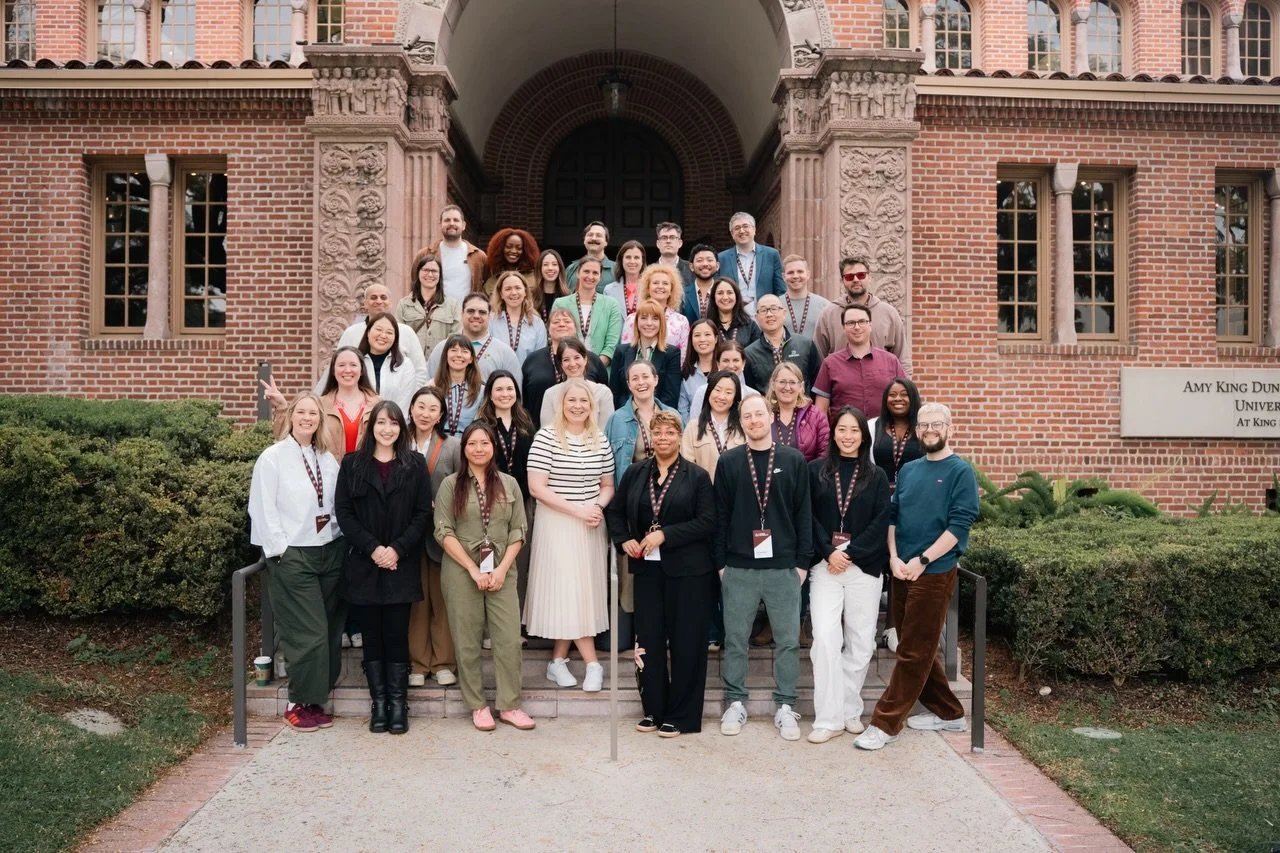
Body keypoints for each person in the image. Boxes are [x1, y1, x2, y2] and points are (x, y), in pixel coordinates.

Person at [855, 402, 979, 751]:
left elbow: (958, 527)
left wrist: (923, 560)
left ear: (950, 427)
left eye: (936, 424)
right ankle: (950, 713)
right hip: (902, 571)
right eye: (923, 425)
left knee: (913, 651)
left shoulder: (960, 472)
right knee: (914, 647)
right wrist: (894, 558)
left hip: (935, 572)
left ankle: (885, 724)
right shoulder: (909, 470)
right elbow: (892, 517)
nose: (929, 430)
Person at [606, 410, 716, 737]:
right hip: (648, 571)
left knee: (686, 643)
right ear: (650, 438)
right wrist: (624, 539)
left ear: (679, 437)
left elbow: (707, 522)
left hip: (689, 573)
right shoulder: (636, 473)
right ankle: (654, 710)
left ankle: (681, 716)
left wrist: (665, 534)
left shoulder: (696, 477)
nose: (663, 438)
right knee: (649, 641)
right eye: (658, 433)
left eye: (670, 433)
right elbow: (614, 512)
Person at [714, 395, 812, 741]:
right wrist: (721, 563)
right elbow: (720, 515)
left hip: (784, 566)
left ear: (770, 415)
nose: (754, 420)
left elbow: (804, 513)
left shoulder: (793, 460)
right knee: (736, 639)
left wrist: (802, 563)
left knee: (787, 640)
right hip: (738, 566)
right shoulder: (728, 462)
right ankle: (735, 701)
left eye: (759, 413)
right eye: (747, 416)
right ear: (741, 422)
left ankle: (785, 706)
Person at [249, 392, 347, 732]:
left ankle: (315, 699)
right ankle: (296, 701)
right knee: (310, 632)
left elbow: (336, 504)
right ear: (291, 416)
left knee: (331, 630)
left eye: (314, 413)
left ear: (321, 420)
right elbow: (262, 508)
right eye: (302, 412)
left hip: (329, 550)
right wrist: (280, 551)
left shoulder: (327, 458)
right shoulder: (273, 458)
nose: (308, 418)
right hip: (293, 555)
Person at [333, 400, 432, 735]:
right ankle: (378, 703)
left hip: (400, 565)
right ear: (371, 427)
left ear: (401, 428)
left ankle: (397, 703)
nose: (387, 429)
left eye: (393, 423)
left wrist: (397, 550)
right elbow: (344, 513)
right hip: (365, 564)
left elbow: (422, 514)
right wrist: (373, 548)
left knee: (396, 634)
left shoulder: (414, 464)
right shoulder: (352, 465)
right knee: (372, 637)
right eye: (381, 423)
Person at [435, 422, 536, 732]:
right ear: (464, 449)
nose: (478, 449)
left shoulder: (510, 484)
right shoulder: (451, 485)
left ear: (493, 447)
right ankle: (477, 705)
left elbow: (519, 530)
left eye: (485, 443)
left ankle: (509, 705)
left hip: (502, 570)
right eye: (472, 444)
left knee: (507, 639)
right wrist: (473, 569)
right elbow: (443, 531)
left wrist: (502, 569)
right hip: (461, 569)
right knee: (466, 640)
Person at [524, 379, 616, 692]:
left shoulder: (599, 438)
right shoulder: (546, 436)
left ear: (592, 406)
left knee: (580, 592)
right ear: (562, 404)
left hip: (590, 524)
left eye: (584, 401)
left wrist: (596, 507)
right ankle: (593, 663)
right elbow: (537, 487)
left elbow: (607, 485)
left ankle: (557, 660)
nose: (577, 406)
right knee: (568, 589)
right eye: (572, 400)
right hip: (558, 523)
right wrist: (577, 510)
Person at [806, 406, 891, 744]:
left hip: (864, 568)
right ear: (834, 433)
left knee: (860, 641)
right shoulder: (815, 472)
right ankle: (828, 719)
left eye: (854, 430)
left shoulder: (877, 476)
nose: (847, 435)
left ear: (863, 436)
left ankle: (850, 710)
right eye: (842, 429)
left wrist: (850, 553)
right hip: (825, 567)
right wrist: (829, 552)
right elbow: (806, 517)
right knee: (826, 638)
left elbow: (880, 520)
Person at [405, 387, 460, 688]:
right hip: (408, 537)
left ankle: (443, 663)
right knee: (416, 601)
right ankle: (418, 662)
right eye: (420, 406)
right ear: (411, 409)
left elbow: (463, 486)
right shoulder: (398, 442)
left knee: (442, 600)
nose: (425, 414)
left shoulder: (452, 446)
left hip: (442, 535)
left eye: (432, 409)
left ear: (441, 415)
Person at [475, 370, 536, 620]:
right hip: (489, 502)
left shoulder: (527, 426)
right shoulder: (481, 427)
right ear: (489, 394)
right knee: (488, 561)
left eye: (510, 389)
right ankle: (487, 626)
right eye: (499, 389)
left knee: (518, 563)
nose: (505, 394)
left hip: (522, 502)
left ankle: (514, 620)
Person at [266, 346, 379, 461]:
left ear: (362, 371)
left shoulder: (378, 405)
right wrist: (281, 408)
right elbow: (289, 438)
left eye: (353, 365)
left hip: (369, 475)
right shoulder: (319, 404)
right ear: (333, 372)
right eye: (341, 365)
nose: (347, 370)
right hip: (329, 475)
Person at [318, 283, 427, 395]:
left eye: (383, 297)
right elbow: (337, 367)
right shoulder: (351, 333)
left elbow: (420, 372)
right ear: (365, 304)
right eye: (373, 297)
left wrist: (412, 398)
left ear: (391, 303)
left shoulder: (406, 332)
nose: (379, 301)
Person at [812, 255, 912, 374]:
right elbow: (818, 360)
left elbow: (902, 358)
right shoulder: (828, 314)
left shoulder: (888, 313)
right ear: (842, 281)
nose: (855, 279)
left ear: (869, 277)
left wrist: (904, 389)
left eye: (861, 275)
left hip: (882, 387)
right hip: (840, 388)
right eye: (849, 277)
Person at [521, 306, 609, 430]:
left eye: (567, 321)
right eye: (556, 322)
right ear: (548, 329)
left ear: (576, 328)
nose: (561, 324)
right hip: (542, 431)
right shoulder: (532, 360)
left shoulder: (593, 360)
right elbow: (524, 400)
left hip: (588, 433)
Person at [812, 303, 903, 421]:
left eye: (862, 321)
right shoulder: (830, 363)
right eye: (850, 323)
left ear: (870, 325)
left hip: (883, 435)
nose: (857, 327)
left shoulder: (891, 361)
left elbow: (905, 399)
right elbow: (821, 410)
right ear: (843, 328)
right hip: (845, 437)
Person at [425, 293, 523, 385]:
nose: (476, 316)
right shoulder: (442, 349)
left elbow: (515, 394)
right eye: (471, 311)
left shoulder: (505, 354)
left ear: (489, 317)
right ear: (462, 314)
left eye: (482, 312)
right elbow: (428, 389)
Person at [610, 299, 681, 410]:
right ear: (637, 322)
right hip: (625, 415)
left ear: (661, 323)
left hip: (658, 419)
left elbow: (670, 397)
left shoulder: (671, 354)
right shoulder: (621, 351)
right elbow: (615, 392)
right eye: (643, 318)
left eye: (655, 318)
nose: (649, 323)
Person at [744, 294, 821, 393]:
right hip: (767, 408)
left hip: (802, 407)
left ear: (784, 313)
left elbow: (816, 385)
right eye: (763, 310)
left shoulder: (805, 345)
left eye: (774, 309)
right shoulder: (749, 353)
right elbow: (750, 390)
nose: (769, 314)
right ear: (757, 317)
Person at [551, 258, 622, 365]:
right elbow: (556, 339)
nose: (590, 276)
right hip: (568, 368)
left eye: (595, 273)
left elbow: (611, 344)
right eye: (586, 271)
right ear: (578, 273)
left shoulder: (611, 305)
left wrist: (595, 368)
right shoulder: (560, 304)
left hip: (600, 369)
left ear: (600, 276)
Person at [680, 370, 746, 481]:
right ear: (709, 391)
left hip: (735, 492)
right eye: (717, 390)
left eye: (729, 392)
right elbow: (686, 467)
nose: (721, 396)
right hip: (703, 492)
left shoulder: (743, 427)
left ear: (735, 397)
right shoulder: (693, 427)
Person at [396, 252, 461, 360]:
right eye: (426, 270)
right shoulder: (404, 304)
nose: (430, 275)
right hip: (411, 364)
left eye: (434, 271)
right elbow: (399, 336)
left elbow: (455, 337)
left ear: (440, 275)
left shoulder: (452, 305)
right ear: (418, 273)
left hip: (441, 364)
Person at [716, 212, 785, 312]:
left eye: (745, 226)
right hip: (734, 314)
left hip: (765, 313)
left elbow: (781, 289)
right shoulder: (722, 258)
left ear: (754, 230)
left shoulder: (771, 255)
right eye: (737, 228)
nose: (742, 230)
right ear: (732, 234)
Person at [540, 337, 615, 427]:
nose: (572, 364)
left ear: (585, 359)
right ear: (561, 364)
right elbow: (546, 430)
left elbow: (605, 432)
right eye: (566, 359)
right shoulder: (550, 394)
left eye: (577, 358)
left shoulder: (603, 392)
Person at [358, 312, 424, 412]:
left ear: (395, 338)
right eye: (379, 329)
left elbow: (404, 405)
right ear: (368, 332)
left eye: (389, 332)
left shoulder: (405, 365)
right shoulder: (355, 363)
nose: (383, 335)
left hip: (393, 424)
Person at [766, 361, 828, 463]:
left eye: (792, 382)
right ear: (773, 385)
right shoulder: (763, 414)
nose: (787, 387)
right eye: (782, 382)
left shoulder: (816, 416)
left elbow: (824, 453)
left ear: (801, 387)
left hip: (806, 476)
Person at [622, 264, 690, 354]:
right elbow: (626, 353)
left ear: (671, 290)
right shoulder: (632, 319)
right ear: (648, 288)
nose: (660, 286)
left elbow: (683, 355)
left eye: (665, 283)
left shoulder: (681, 321)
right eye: (655, 283)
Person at [684, 339, 761, 419]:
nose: (731, 365)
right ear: (718, 363)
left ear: (743, 363)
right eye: (726, 361)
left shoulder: (753, 395)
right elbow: (695, 424)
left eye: (736, 360)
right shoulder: (702, 392)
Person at [871, 377, 924, 491]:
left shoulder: (924, 427)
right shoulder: (871, 426)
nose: (898, 398)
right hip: (879, 495)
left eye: (904, 394)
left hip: (915, 494)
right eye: (893, 395)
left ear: (913, 398)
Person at [429, 204, 487, 301]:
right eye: (447, 220)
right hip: (435, 314)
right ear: (440, 225)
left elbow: (487, 286)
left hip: (467, 314)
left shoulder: (478, 256)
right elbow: (416, 283)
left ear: (463, 225)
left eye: (456, 220)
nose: (451, 223)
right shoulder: (426, 254)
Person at [489, 270, 548, 365]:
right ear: (501, 294)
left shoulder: (537, 323)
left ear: (525, 292)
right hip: (497, 377)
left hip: (528, 377)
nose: (513, 292)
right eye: (508, 289)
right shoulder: (490, 321)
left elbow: (540, 360)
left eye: (518, 288)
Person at [431, 334, 484, 436]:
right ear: (446, 356)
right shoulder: (432, 387)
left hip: (468, 444)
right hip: (438, 443)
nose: (459, 355)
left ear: (471, 359)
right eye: (454, 350)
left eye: (464, 351)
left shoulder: (481, 391)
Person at [780, 254, 832, 341]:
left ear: (808, 274)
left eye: (800, 271)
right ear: (784, 276)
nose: (795, 276)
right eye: (790, 272)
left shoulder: (825, 305)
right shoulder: (775, 305)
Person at [678, 318, 719, 423]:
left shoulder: (726, 368)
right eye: (697, 335)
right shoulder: (686, 373)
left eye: (707, 334)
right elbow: (683, 409)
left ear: (716, 338)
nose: (702, 339)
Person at [481, 227, 540, 298]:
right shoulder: (491, 282)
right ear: (500, 249)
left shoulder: (536, 279)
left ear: (526, 251)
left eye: (519, 248)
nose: (513, 251)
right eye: (508, 247)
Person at [708, 276, 761, 349]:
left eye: (730, 293)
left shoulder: (750, 326)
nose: (725, 297)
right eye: (720, 293)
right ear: (714, 297)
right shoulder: (707, 326)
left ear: (736, 296)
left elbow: (757, 353)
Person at [566, 221, 617, 291]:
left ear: (606, 242)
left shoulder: (617, 270)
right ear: (584, 240)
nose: (594, 238)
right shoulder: (571, 269)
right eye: (590, 235)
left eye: (599, 235)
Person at [680, 244, 720, 326]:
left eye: (709, 260)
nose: (705, 264)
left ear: (717, 266)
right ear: (691, 266)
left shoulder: (724, 293)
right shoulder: (682, 294)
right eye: (699, 260)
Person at [605, 240, 646, 316]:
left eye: (636, 257)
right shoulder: (609, 290)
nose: (632, 261)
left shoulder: (650, 289)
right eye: (628, 257)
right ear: (621, 260)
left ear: (642, 261)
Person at [534, 248, 570, 326]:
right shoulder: (531, 296)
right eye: (546, 264)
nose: (550, 268)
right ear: (539, 269)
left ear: (560, 268)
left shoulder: (568, 297)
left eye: (554, 264)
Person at [655, 221, 695, 290]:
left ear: (680, 243)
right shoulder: (649, 271)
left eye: (672, 237)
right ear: (658, 243)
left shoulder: (692, 269)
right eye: (664, 237)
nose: (668, 241)